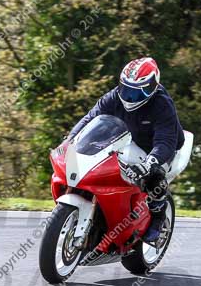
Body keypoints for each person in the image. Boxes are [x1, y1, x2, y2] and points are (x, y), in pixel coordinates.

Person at [68, 57, 185, 244]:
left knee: (154, 175)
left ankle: (158, 215)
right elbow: (90, 118)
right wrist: (70, 140)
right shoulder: (114, 97)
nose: (130, 97)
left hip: (157, 147)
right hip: (127, 138)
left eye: (138, 92)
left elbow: (166, 141)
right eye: (127, 89)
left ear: (153, 87)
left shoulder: (163, 105)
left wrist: (151, 162)